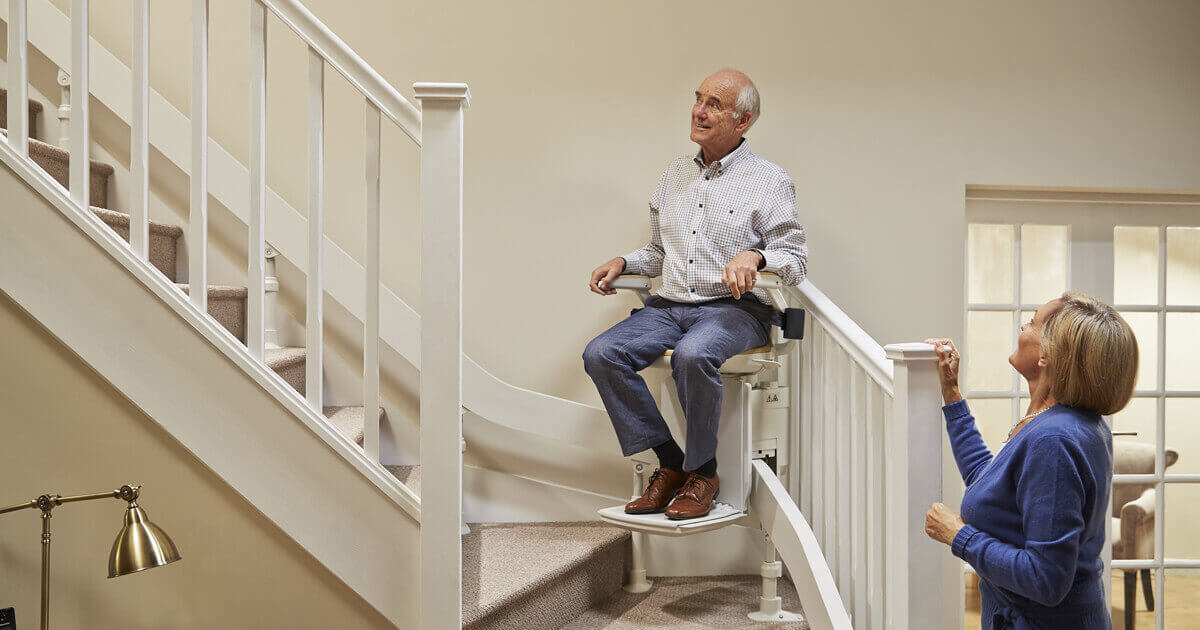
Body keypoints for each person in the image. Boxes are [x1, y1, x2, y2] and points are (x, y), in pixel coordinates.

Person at [581, 69, 807, 520]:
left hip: (734, 310)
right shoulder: (673, 175)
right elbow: (660, 251)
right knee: (601, 353)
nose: (699, 110)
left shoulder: (769, 179)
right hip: (669, 306)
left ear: (742, 121)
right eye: (698, 99)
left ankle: (704, 471)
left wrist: (756, 257)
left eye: (714, 105)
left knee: (692, 354)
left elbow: (795, 259)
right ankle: (671, 464)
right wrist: (625, 262)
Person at [924, 292, 1138, 629]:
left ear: (1048, 355)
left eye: (1033, 321)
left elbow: (1045, 578)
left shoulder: (1055, 440)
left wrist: (958, 535)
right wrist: (952, 393)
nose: (1023, 325)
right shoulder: (1063, 422)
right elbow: (987, 481)